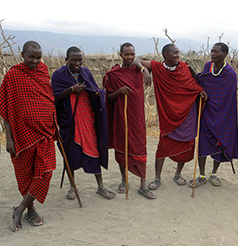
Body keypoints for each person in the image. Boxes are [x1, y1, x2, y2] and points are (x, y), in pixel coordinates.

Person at [134, 43, 207, 190]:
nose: (178, 56)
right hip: (169, 114)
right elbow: (136, 60)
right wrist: (145, 72)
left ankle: (178, 174)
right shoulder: (157, 67)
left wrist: (199, 91)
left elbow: (192, 84)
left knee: (187, 144)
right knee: (163, 146)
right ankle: (157, 177)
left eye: (178, 53)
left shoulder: (184, 67)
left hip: (187, 112)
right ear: (166, 55)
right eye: (175, 53)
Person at [0, 41, 57, 231]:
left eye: (38, 57)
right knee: (25, 175)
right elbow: (5, 109)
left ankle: (20, 209)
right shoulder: (13, 76)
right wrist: (9, 138)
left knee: (46, 171)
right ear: (22, 54)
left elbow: (48, 97)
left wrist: (54, 123)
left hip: (45, 133)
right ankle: (31, 210)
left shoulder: (42, 71)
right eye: (31, 56)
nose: (35, 60)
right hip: (21, 135)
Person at [51, 46, 115, 200]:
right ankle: (72, 187)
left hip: (87, 119)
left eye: (80, 60)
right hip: (69, 121)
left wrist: (99, 93)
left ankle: (100, 186)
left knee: (93, 151)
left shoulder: (86, 72)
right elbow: (54, 97)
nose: (77, 63)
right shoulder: (59, 75)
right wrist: (71, 90)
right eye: (73, 60)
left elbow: (94, 91)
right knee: (70, 154)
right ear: (66, 59)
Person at [103, 42, 155, 199]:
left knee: (140, 148)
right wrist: (118, 92)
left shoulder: (139, 72)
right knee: (122, 148)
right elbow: (108, 97)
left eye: (132, 54)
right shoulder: (113, 74)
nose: (130, 57)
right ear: (120, 55)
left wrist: (145, 71)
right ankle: (124, 180)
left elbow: (146, 65)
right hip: (122, 117)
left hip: (137, 118)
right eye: (126, 54)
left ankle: (143, 185)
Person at [191, 42, 238, 187]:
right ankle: (202, 175)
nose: (212, 54)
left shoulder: (230, 74)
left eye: (216, 52)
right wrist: (191, 72)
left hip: (222, 115)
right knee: (203, 145)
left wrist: (222, 114)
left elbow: (229, 99)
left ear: (224, 55)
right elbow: (201, 81)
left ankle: (214, 174)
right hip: (206, 112)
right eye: (211, 51)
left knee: (220, 143)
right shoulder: (207, 67)